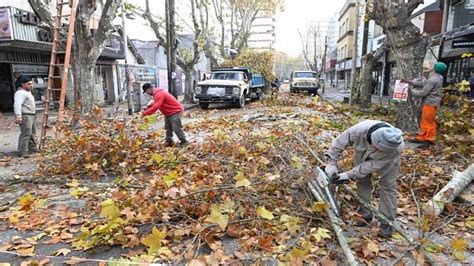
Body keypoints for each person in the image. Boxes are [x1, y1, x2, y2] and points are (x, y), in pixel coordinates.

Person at [324, 120, 404, 238]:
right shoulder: (359, 130)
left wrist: (348, 175)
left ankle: (386, 221)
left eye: (380, 150)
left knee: (388, 186)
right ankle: (364, 212)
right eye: (377, 148)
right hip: (362, 152)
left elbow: (368, 167)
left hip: (388, 162)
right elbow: (339, 143)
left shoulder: (396, 148)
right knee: (362, 181)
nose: (377, 151)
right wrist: (332, 162)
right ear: (372, 140)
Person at [401, 62, 446, 149]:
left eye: (434, 66)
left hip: (430, 103)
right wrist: (411, 82)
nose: (431, 66)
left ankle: (429, 140)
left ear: (435, 69)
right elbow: (425, 83)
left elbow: (423, 92)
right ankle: (422, 137)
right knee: (425, 121)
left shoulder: (433, 79)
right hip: (432, 102)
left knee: (428, 122)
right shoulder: (438, 77)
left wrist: (412, 91)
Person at [14, 76, 38, 158]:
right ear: (23, 84)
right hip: (25, 115)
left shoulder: (27, 92)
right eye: (29, 84)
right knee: (26, 134)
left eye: (31, 83)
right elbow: (17, 105)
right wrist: (18, 116)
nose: (31, 85)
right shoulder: (20, 93)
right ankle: (22, 151)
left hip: (31, 114)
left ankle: (32, 148)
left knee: (31, 133)